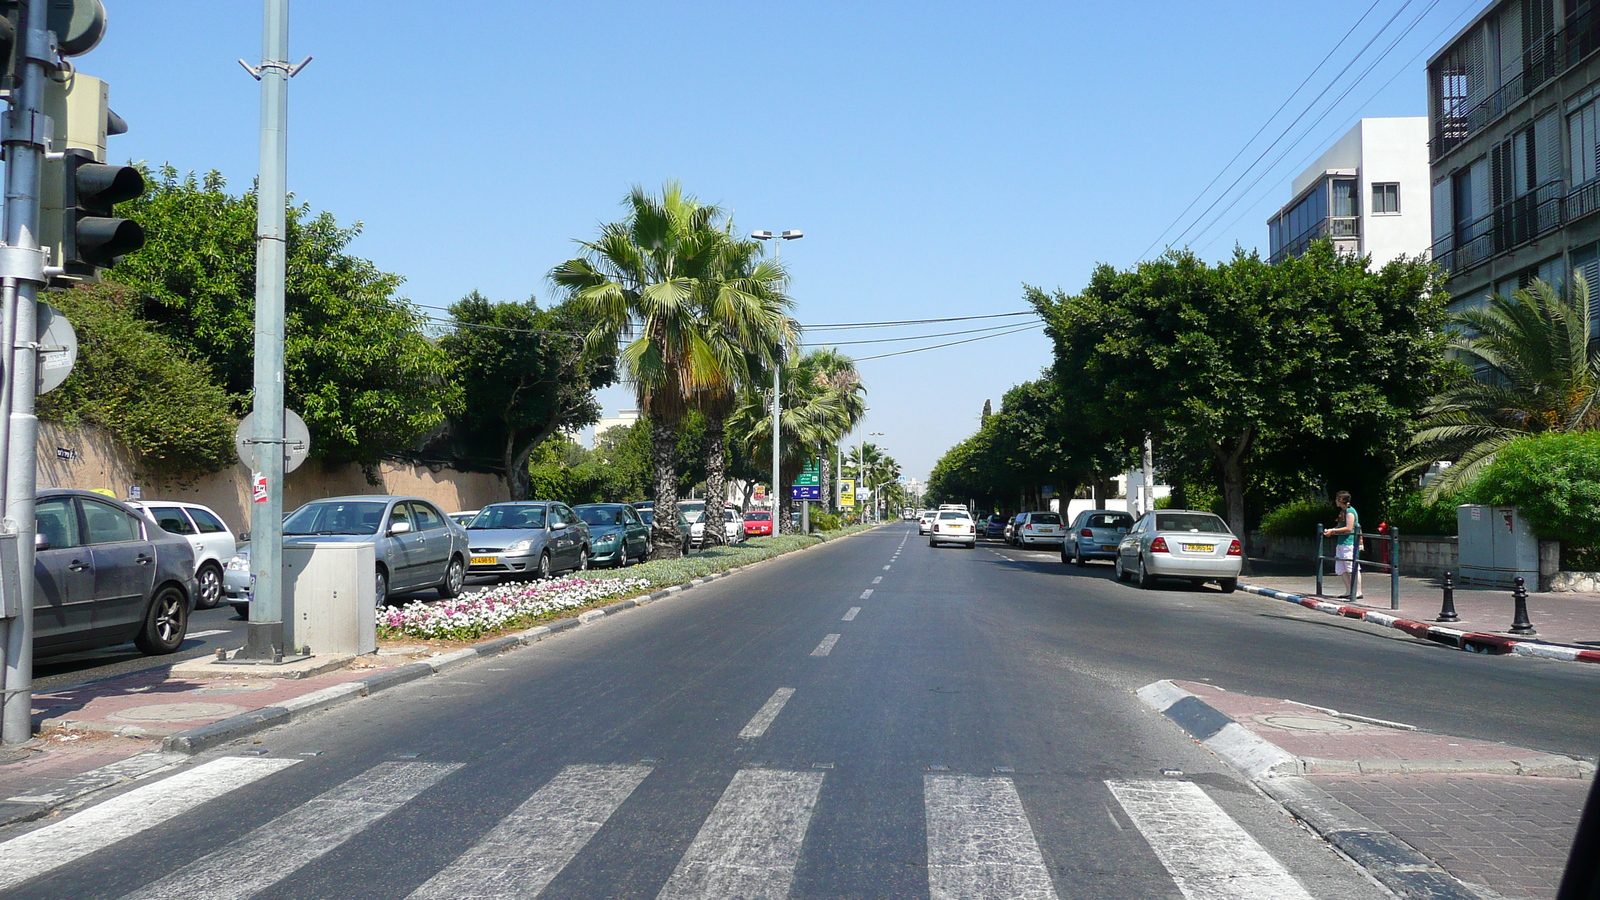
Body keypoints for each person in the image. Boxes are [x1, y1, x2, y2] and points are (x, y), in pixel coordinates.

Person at [1323, 491, 1362, 600]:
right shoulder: (1343, 512)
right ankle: (1349, 590)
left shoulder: (1350, 511)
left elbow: (1349, 528)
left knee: (1352, 567)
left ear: (1340, 499)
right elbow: (1340, 526)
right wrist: (1332, 531)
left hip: (1349, 543)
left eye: (1337, 499)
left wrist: (1333, 530)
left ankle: (1358, 591)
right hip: (1341, 543)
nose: (1335, 501)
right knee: (1341, 567)